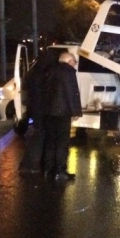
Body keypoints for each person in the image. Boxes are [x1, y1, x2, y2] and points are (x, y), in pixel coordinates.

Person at [17, 50, 60, 174]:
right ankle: (30, 164)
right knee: (39, 135)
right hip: (41, 108)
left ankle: (31, 164)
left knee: (38, 134)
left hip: (36, 108)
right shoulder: (44, 74)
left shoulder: (34, 72)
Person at [44, 52, 82, 181]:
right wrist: (76, 111)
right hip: (62, 112)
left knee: (50, 141)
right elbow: (71, 93)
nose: (75, 64)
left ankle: (48, 170)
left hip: (48, 111)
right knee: (62, 142)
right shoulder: (68, 72)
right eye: (74, 61)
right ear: (69, 61)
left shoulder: (50, 70)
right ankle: (60, 171)